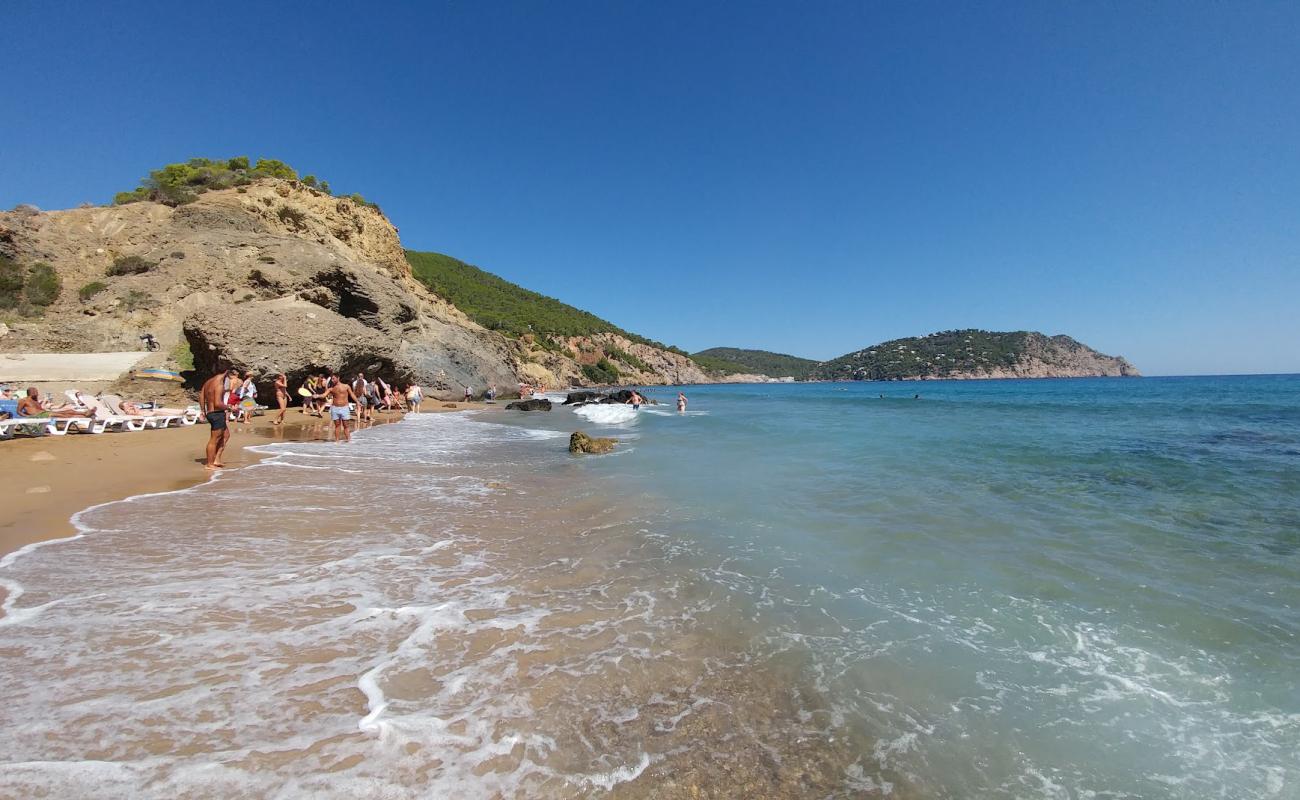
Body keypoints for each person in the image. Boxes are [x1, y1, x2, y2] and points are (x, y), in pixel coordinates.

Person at [199, 368, 240, 470]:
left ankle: (216, 459)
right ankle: (209, 464)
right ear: (228, 373)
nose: (234, 381)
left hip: (211, 413)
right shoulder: (219, 384)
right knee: (214, 439)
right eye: (235, 378)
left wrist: (203, 411)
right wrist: (230, 408)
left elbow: (201, 395)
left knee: (226, 435)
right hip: (217, 414)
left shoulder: (209, 382)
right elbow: (218, 404)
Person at [16, 387, 93, 419]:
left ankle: (84, 413)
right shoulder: (24, 400)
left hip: (44, 413)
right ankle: (78, 418)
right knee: (61, 414)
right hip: (38, 415)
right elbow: (18, 411)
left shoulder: (35, 400)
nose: (37, 393)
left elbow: (40, 408)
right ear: (31, 392)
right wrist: (27, 417)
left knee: (68, 411)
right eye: (35, 391)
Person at [324, 377, 359, 443]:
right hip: (335, 408)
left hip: (344, 408)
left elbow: (351, 394)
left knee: (346, 425)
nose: (332, 380)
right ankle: (337, 441)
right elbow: (324, 395)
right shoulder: (331, 388)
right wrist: (317, 395)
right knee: (337, 425)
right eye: (332, 379)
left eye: (334, 378)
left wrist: (357, 402)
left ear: (338, 378)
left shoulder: (346, 386)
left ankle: (349, 441)